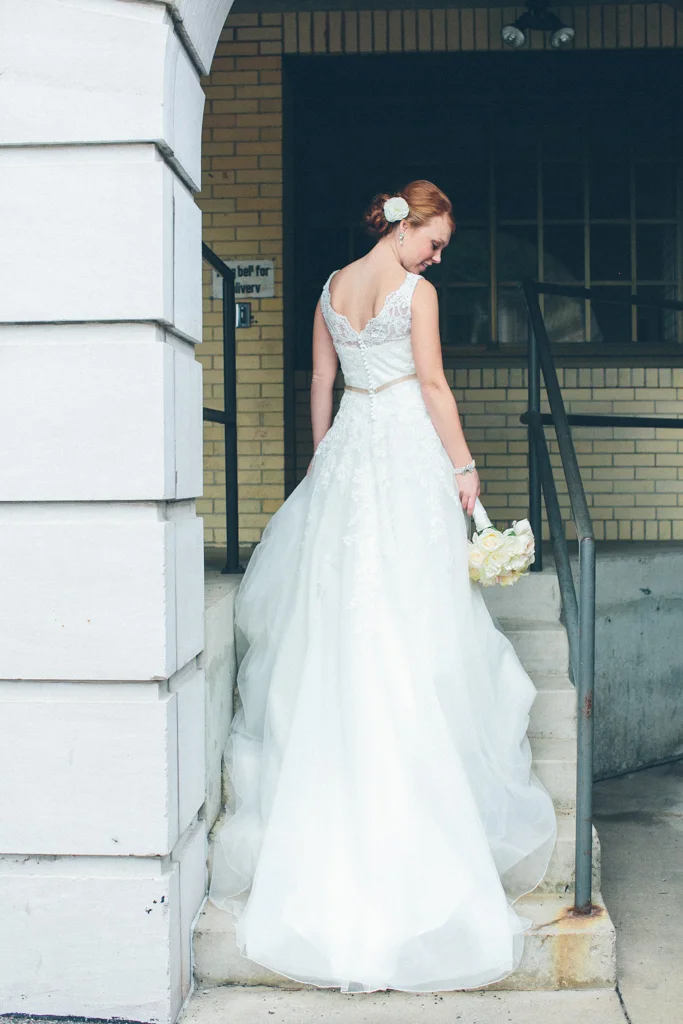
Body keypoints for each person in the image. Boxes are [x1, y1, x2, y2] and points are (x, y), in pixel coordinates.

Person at [209, 180, 557, 993]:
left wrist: (322, 460)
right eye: (434, 242)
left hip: (348, 445)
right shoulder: (414, 293)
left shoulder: (331, 286)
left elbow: (320, 384)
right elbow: (432, 385)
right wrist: (464, 467)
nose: (436, 258)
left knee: (341, 603)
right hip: (402, 445)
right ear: (407, 228)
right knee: (411, 605)